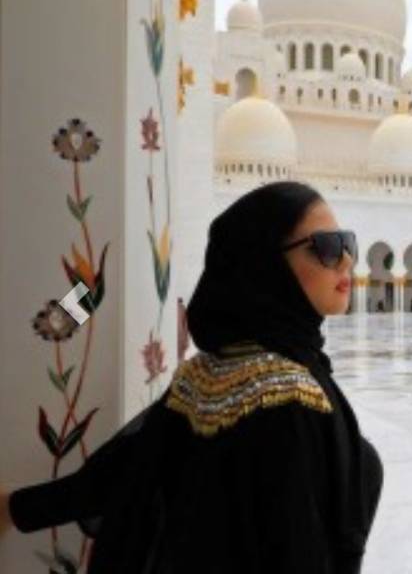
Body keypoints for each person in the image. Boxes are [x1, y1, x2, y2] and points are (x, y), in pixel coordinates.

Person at [0, 181, 382, 572]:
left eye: (347, 244)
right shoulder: (291, 401)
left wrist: (16, 508)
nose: (346, 261)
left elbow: (123, 469)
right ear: (266, 264)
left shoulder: (208, 373)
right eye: (327, 247)